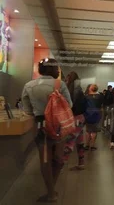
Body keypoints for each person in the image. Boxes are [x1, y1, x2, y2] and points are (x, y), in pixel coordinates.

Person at [21, 58, 72, 202]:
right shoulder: (59, 84)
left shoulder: (28, 85)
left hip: (40, 126)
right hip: (58, 125)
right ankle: (52, 190)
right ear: (54, 69)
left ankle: (50, 192)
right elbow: (69, 104)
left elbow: (27, 110)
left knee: (45, 160)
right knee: (58, 158)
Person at [63, 71, 87, 171]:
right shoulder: (80, 90)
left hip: (73, 118)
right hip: (80, 117)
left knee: (70, 141)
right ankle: (81, 163)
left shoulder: (69, 91)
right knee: (79, 141)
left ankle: (62, 164)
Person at [85, 84, 104, 151]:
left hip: (88, 113)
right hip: (97, 113)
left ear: (90, 89)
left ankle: (87, 145)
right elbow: (102, 105)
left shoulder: (86, 96)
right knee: (94, 131)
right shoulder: (100, 96)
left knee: (88, 130)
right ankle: (92, 146)